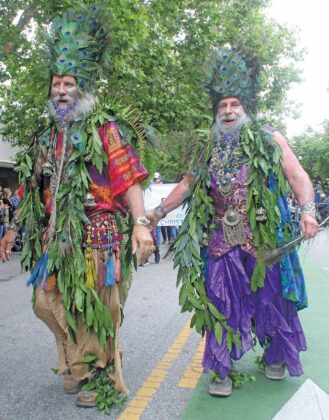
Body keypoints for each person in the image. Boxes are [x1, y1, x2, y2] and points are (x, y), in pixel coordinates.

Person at [0, 6, 154, 411]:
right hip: (55, 237)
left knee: (96, 306)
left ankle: (96, 371)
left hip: (98, 232)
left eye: (69, 83)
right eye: (56, 84)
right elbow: (31, 190)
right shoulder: (45, 135)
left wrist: (140, 225)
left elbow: (129, 179)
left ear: (81, 88)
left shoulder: (104, 128)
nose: (62, 90)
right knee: (44, 302)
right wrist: (13, 229)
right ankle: (76, 356)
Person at [148, 46, 318, 397]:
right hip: (222, 236)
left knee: (271, 299)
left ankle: (274, 356)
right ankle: (222, 370)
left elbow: (298, 175)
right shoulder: (207, 146)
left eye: (234, 104)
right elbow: (186, 185)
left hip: (263, 234)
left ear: (246, 108)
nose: (228, 111)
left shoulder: (269, 138)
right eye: (222, 105)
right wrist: (156, 214)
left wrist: (307, 211)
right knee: (221, 300)